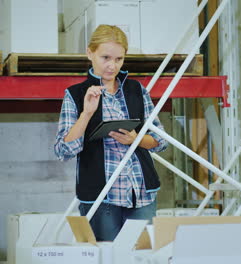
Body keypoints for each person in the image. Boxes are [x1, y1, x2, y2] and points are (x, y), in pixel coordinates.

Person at [54, 24, 167, 241]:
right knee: (107, 258)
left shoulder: (137, 90)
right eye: (105, 57)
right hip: (101, 198)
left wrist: (136, 140)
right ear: (90, 53)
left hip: (142, 194)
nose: (111, 66)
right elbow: (63, 151)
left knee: (142, 258)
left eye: (119, 59)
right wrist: (86, 114)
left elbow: (160, 140)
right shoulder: (75, 95)